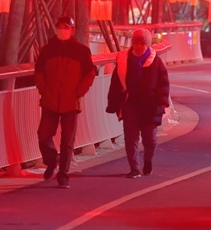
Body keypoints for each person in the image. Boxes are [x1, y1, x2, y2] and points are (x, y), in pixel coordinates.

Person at [34, 15, 96, 188]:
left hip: (71, 102)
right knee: (43, 135)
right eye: (60, 26)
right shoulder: (47, 50)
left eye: (66, 27)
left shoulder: (81, 51)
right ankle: (52, 160)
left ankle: (63, 174)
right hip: (50, 101)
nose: (63, 30)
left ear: (72, 29)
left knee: (67, 141)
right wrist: (44, 90)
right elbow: (38, 72)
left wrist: (79, 91)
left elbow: (90, 73)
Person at [106, 28, 170, 178]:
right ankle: (134, 167)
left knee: (150, 140)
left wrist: (162, 101)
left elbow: (163, 82)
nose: (139, 46)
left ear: (148, 44)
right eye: (136, 43)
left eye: (142, 43)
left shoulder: (155, 61)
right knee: (131, 138)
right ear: (132, 43)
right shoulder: (123, 60)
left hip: (150, 106)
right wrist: (113, 103)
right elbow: (115, 83)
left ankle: (148, 160)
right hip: (130, 104)